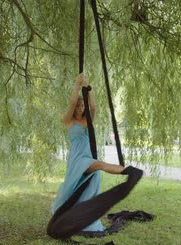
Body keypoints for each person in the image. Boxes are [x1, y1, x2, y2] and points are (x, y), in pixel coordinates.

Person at [51, 73, 126, 233]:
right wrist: (77, 86)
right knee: (91, 172)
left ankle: (84, 220)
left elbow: (94, 107)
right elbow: (71, 103)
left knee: (88, 188)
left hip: (89, 154)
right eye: (79, 106)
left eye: (82, 106)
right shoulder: (68, 120)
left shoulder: (88, 120)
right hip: (78, 158)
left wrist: (88, 87)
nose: (80, 108)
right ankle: (127, 170)